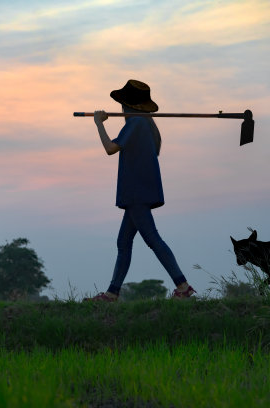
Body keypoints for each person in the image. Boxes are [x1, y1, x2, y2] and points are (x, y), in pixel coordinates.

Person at [84, 79, 196, 302]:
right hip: (140, 190)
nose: (121, 110)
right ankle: (112, 293)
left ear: (129, 107)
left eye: (123, 105)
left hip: (136, 191)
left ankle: (183, 286)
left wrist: (98, 123)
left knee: (152, 238)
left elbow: (110, 148)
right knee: (123, 243)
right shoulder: (148, 127)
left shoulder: (136, 123)